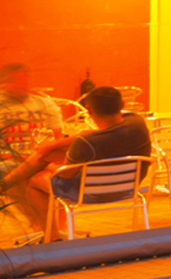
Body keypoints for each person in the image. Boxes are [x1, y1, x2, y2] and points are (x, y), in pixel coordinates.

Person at [15, 86, 153, 237]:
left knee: (35, 182)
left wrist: (49, 165)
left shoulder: (84, 143)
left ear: (88, 110)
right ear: (122, 105)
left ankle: (52, 237)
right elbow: (101, 134)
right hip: (129, 188)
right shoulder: (137, 123)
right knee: (50, 157)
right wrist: (57, 146)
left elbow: (66, 174)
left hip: (89, 194)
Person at [0, 64, 69, 234]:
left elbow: (58, 138)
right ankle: (42, 225)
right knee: (14, 175)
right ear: (2, 84)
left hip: (41, 159)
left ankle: (53, 228)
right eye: (15, 81)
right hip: (7, 160)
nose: (21, 84)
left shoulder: (45, 104)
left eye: (24, 80)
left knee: (57, 175)